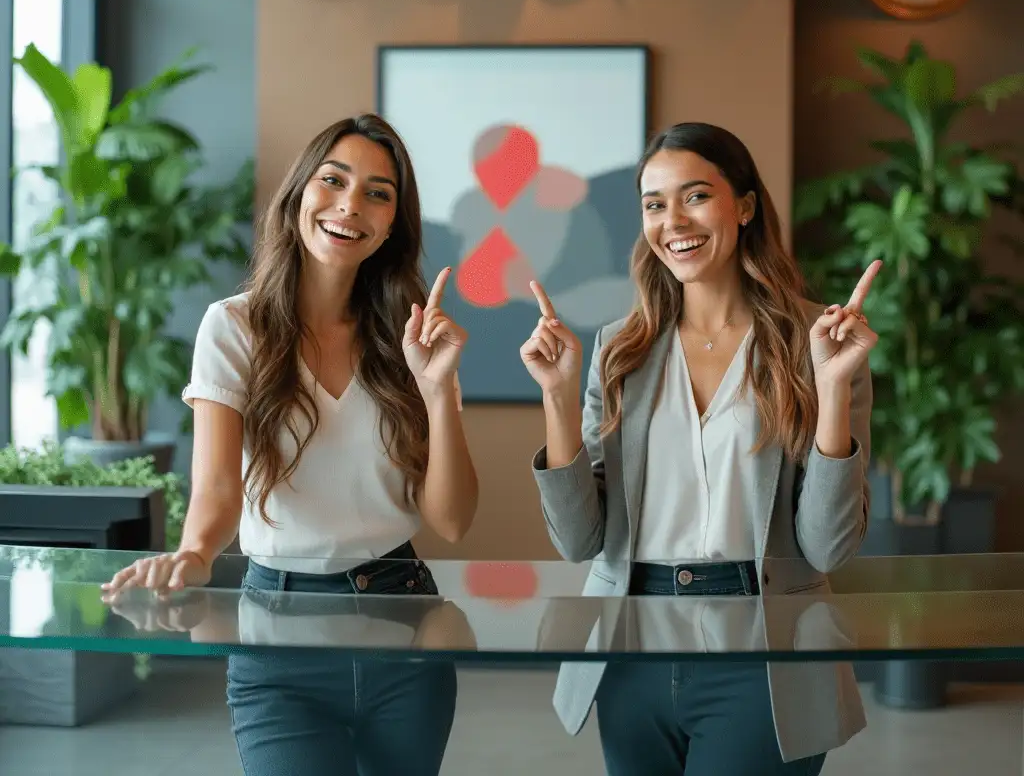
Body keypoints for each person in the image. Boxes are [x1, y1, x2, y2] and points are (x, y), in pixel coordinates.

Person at [102, 113, 478, 776]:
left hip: (405, 619)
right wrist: (192, 552)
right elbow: (218, 488)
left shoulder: (408, 338)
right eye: (332, 181)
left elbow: (450, 519)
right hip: (276, 632)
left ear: (392, 224)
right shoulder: (233, 327)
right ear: (299, 194)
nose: (350, 205)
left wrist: (439, 390)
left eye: (377, 193)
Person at [521, 121, 878, 775]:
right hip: (632, 654)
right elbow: (578, 541)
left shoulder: (819, 342)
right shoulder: (619, 348)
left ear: (743, 206)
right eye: (655, 204)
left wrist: (830, 386)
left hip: (766, 654)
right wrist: (557, 396)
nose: (673, 221)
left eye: (695, 196)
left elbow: (827, 547)